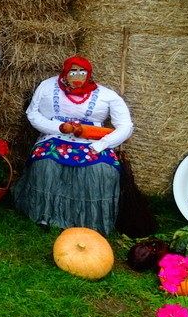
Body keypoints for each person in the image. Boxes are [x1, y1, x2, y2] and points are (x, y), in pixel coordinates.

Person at [13, 56, 134, 236]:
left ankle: (88, 220)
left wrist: (102, 144)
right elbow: (33, 113)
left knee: (102, 169)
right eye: (73, 71)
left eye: (82, 72)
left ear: (89, 74)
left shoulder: (107, 95)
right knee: (46, 163)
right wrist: (58, 128)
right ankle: (45, 215)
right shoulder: (47, 87)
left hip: (92, 140)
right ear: (65, 72)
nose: (77, 76)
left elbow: (126, 125)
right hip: (55, 136)